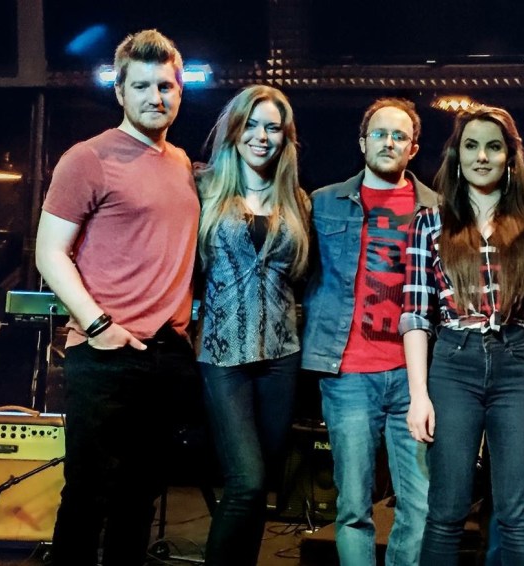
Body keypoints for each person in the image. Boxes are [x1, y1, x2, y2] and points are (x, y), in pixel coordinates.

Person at [35, 30, 199, 566]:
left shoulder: (181, 164)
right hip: (104, 352)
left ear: (180, 91)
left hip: (166, 352)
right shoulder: (88, 158)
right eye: (143, 86)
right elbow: (49, 253)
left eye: (166, 86)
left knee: (139, 498)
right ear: (120, 91)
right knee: (88, 495)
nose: (156, 96)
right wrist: (100, 326)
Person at [401, 106, 524, 566]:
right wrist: (418, 395)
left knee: (518, 514)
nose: (482, 156)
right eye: (471, 146)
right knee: (446, 511)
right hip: (454, 362)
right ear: (457, 155)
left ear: (510, 157)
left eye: (493, 147)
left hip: (516, 365)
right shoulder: (430, 223)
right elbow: (416, 314)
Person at [301, 98, 436, 566]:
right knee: (354, 507)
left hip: (413, 379)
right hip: (348, 375)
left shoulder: (435, 208)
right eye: (379, 133)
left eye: (400, 136)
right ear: (362, 142)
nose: (388, 142)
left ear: (413, 148)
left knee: (419, 507)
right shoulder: (323, 202)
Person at [195, 85, 310, 566]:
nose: (262, 136)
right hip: (223, 356)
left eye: (273, 128)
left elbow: (305, 279)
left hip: (281, 356)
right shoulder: (202, 188)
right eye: (253, 125)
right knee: (245, 481)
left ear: (285, 138)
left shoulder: (298, 200)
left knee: (262, 487)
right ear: (235, 129)